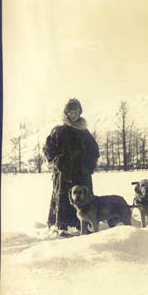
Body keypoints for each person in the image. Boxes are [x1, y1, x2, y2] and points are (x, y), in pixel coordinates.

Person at [43, 99, 100, 233]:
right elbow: (48, 149)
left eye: (76, 111)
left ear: (80, 112)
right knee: (63, 198)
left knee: (84, 199)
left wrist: (89, 165)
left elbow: (94, 150)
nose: (73, 114)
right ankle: (61, 226)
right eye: (70, 112)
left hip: (82, 173)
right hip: (64, 173)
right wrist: (57, 161)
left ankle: (83, 225)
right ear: (66, 113)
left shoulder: (85, 132)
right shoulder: (59, 131)